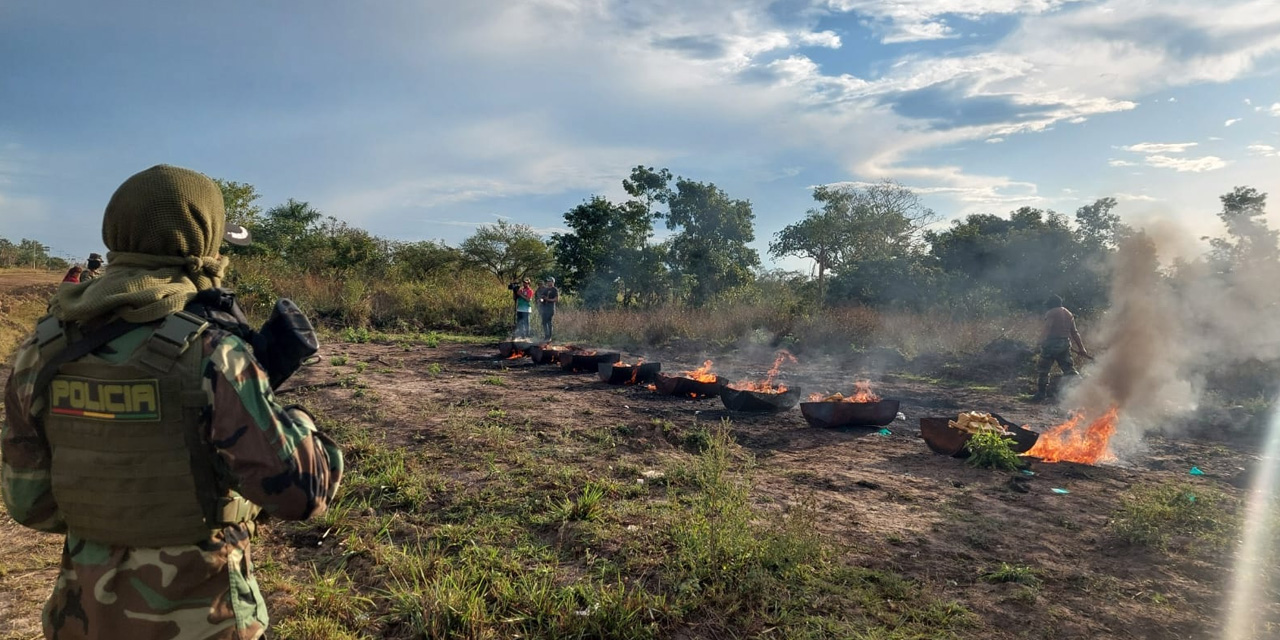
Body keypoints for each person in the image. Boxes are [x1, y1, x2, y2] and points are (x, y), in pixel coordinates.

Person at [1, 164, 344, 640]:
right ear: (200, 246)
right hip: (207, 621)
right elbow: (302, 495)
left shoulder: (42, 349)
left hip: (80, 619)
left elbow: (28, 504)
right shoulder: (213, 353)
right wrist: (295, 418)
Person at [1033, 294, 1091, 402]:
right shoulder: (1069, 314)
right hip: (1064, 343)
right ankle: (1081, 390)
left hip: (1051, 344)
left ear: (1051, 304)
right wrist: (1081, 348)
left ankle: (1041, 394)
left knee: (1043, 370)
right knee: (1069, 370)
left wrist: (1038, 343)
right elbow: (1074, 332)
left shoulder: (1051, 313)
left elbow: (1047, 328)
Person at [535, 277, 559, 342]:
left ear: (553, 282)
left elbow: (556, 299)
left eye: (549, 281)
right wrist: (541, 300)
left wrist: (548, 300)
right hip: (544, 308)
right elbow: (542, 297)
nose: (548, 283)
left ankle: (550, 337)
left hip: (551, 308)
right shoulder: (546, 289)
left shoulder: (555, 290)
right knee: (544, 322)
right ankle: (546, 336)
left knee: (549, 321)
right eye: (548, 281)